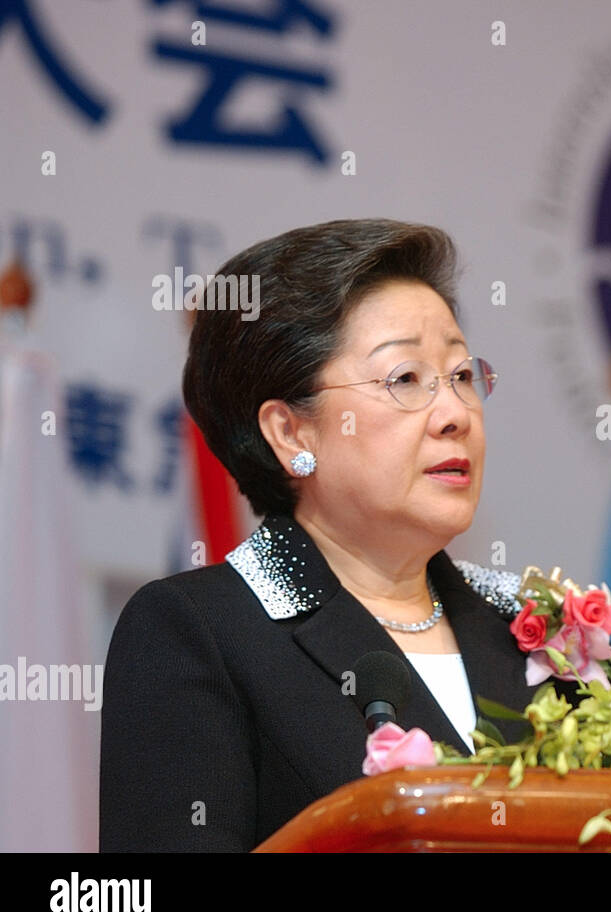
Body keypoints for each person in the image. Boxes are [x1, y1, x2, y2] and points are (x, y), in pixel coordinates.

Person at [99, 219, 572, 852]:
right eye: (405, 379)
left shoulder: (536, 630)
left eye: (462, 375)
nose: (456, 414)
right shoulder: (200, 631)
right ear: (292, 434)